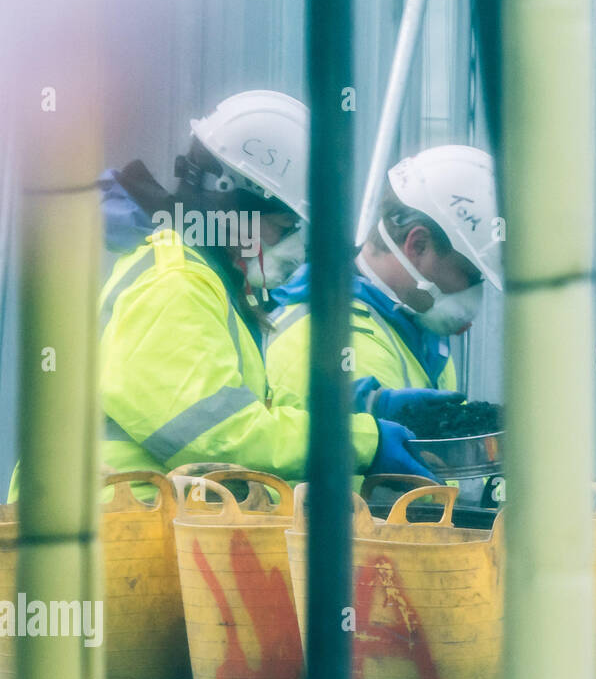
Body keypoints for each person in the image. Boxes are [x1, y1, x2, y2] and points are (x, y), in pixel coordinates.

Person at [95, 90, 435, 486]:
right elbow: (216, 435)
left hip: (134, 528)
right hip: (117, 533)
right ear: (230, 208)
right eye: (283, 228)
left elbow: (249, 412)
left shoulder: (208, 282)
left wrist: (368, 408)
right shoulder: (176, 282)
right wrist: (362, 442)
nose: (295, 250)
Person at [265, 145, 500, 429]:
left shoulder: (413, 323)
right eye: (470, 274)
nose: (473, 293)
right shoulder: (322, 340)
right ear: (418, 245)